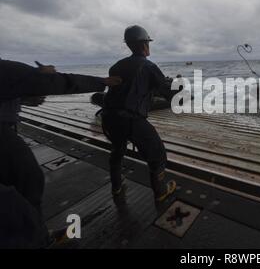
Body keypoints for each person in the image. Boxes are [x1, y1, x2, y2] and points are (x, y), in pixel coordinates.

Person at [0, 59, 121, 248]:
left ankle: (35, 234)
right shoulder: (5, 68)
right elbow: (60, 81)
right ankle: (36, 239)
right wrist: (103, 82)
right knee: (28, 180)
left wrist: (21, 97)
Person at [102, 25, 177, 202]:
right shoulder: (149, 66)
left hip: (109, 118)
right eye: (147, 43)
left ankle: (117, 186)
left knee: (118, 150)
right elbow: (166, 91)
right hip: (131, 120)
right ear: (144, 45)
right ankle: (160, 192)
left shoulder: (116, 66)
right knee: (158, 154)